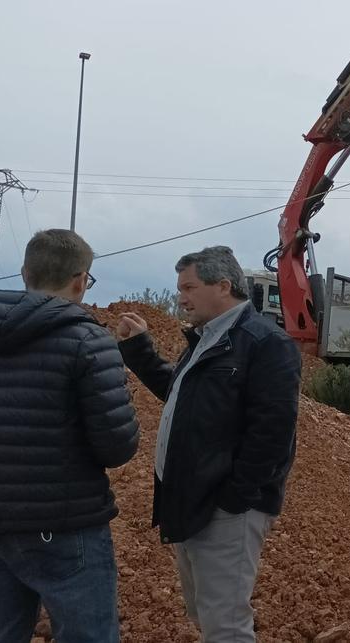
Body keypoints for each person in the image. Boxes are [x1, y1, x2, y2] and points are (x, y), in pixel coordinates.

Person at [114, 246, 300, 642]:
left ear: (223, 286)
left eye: (189, 287)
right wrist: (139, 350)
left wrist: (236, 496)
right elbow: (184, 396)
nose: (181, 297)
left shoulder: (265, 343)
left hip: (225, 508)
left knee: (226, 625)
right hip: (194, 501)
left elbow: (273, 431)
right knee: (207, 614)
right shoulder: (208, 339)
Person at [0, 229, 140, 643]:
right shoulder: (88, 341)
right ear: (80, 280)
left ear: (24, 273)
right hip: (64, 524)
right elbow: (116, 446)